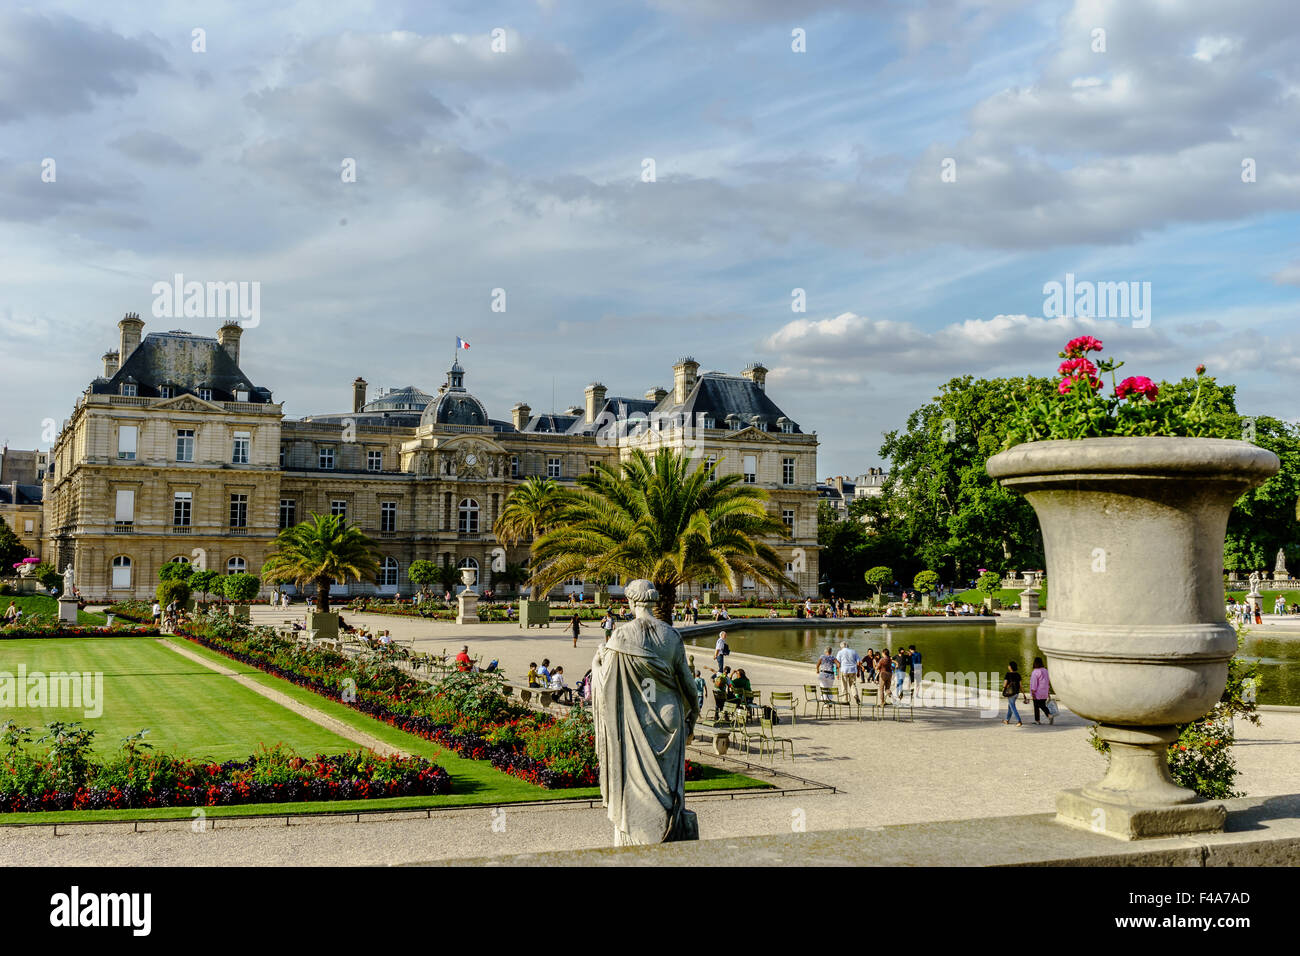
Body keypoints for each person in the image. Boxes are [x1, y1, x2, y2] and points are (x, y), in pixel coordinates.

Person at [591, 578, 700, 845]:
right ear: (654, 601)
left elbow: (607, 685)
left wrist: (596, 664)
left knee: (634, 782)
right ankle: (668, 835)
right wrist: (692, 717)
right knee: (670, 786)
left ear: (630, 601)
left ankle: (638, 837)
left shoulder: (621, 636)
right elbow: (688, 685)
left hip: (637, 717)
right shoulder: (671, 636)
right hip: (668, 716)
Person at [1030, 657, 1052, 724]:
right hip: (1045, 692)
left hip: (1037, 692)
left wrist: (1033, 692)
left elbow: (1034, 683)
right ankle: (1039, 720)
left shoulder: (1035, 672)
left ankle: (1048, 715)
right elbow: (1048, 681)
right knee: (1042, 704)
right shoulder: (1046, 671)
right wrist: (1048, 691)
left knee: (1037, 706)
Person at [1002, 660, 1023, 726]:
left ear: (1011, 667)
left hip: (1010, 693)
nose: (1008, 666)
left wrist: (1003, 689)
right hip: (1016, 693)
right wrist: (1024, 693)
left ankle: (1019, 721)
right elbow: (1020, 685)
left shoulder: (1008, 674)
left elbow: (1005, 684)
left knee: (1013, 707)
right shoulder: (1018, 675)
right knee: (1010, 706)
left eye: (1009, 665)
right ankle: (1006, 720)